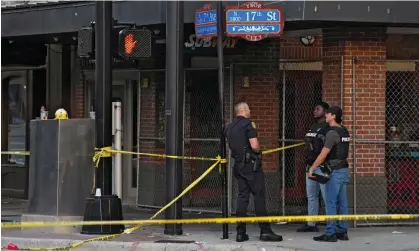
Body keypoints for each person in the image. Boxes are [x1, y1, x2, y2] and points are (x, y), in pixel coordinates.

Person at [225, 102, 283, 242]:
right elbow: (255, 146)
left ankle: (240, 232)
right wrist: (258, 150)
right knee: (259, 197)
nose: (250, 110)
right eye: (249, 108)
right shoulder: (249, 124)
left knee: (242, 197)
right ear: (244, 110)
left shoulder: (230, 126)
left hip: (237, 165)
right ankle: (265, 231)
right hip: (251, 166)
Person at [308, 106, 350, 242]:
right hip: (344, 169)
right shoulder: (344, 131)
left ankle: (330, 232)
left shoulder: (332, 133)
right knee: (342, 202)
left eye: (328, 114)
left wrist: (312, 168)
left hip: (335, 170)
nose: (326, 115)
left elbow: (323, 154)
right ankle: (342, 231)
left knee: (331, 202)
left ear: (333, 116)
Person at [297, 102, 329, 232]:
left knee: (327, 197)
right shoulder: (313, 126)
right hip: (310, 166)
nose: (314, 111)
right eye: (314, 108)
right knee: (311, 196)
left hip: (322, 166)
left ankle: (331, 224)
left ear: (325, 112)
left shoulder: (328, 128)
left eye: (318, 109)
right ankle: (311, 223)